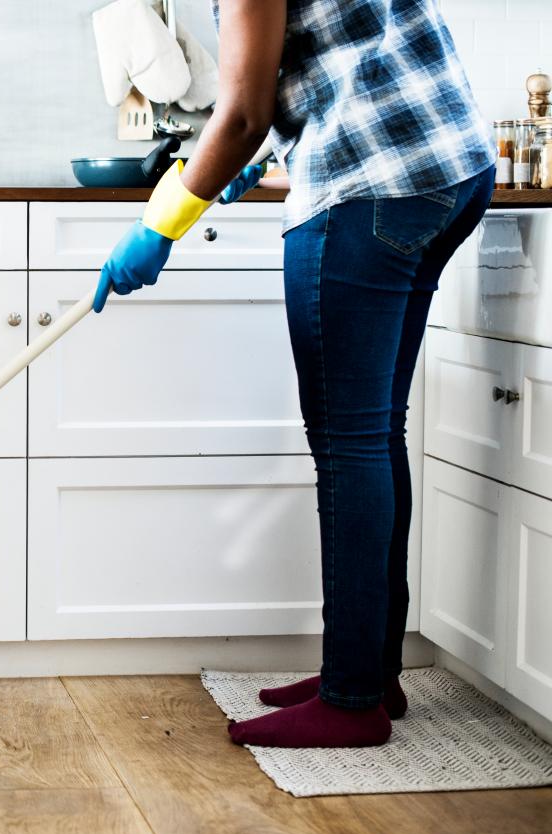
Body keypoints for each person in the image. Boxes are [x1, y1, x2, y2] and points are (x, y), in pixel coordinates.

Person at [96, 0, 495, 748]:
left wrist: (162, 225)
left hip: (370, 186)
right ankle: (369, 670)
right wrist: (258, 157)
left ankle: (351, 701)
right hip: (448, 170)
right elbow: (327, 60)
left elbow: (243, 110)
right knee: (374, 434)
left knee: (349, 444)